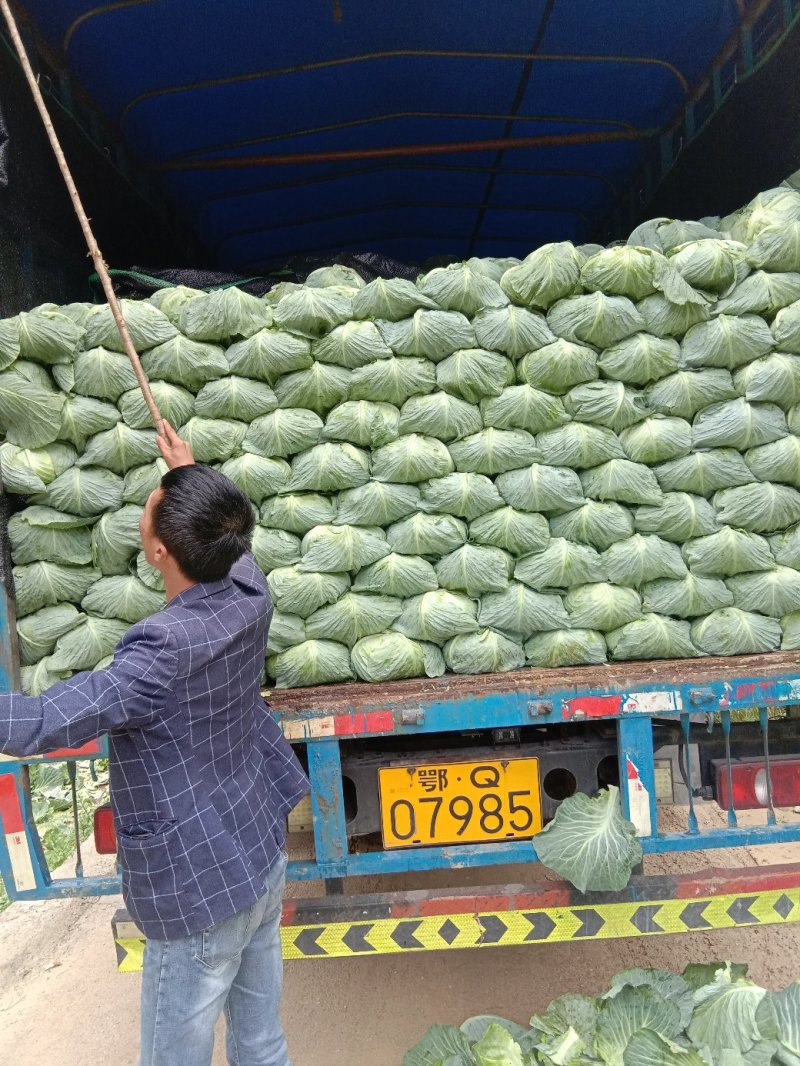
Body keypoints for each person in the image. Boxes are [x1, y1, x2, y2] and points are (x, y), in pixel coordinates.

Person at [0, 421, 309, 1066]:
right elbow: (235, 545)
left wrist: (186, 486)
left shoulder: (160, 650)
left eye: (156, 509)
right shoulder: (250, 591)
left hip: (199, 887)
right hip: (259, 850)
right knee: (262, 1042)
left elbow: (35, 724)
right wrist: (191, 474)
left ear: (159, 551)